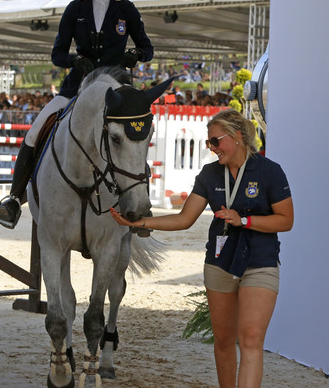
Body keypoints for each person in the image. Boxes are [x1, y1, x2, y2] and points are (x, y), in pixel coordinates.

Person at [110, 109, 294, 388]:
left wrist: (244, 220)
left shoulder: (270, 171)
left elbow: (286, 220)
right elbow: (185, 218)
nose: (212, 148)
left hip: (260, 263)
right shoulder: (210, 174)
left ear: (237, 136)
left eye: (215, 142)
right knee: (223, 339)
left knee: (251, 339)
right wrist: (139, 222)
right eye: (209, 143)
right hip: (220, 262)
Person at [0, 0, 153, 229]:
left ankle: (140, 205)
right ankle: (14, 199)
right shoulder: (74, 9)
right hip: (77, 87)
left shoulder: (126, 10)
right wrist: (74, 61)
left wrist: (135, 54)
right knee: (35, 131)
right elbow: (56, 54)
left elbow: (147, 48)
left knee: (134, 138)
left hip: (115, 91)